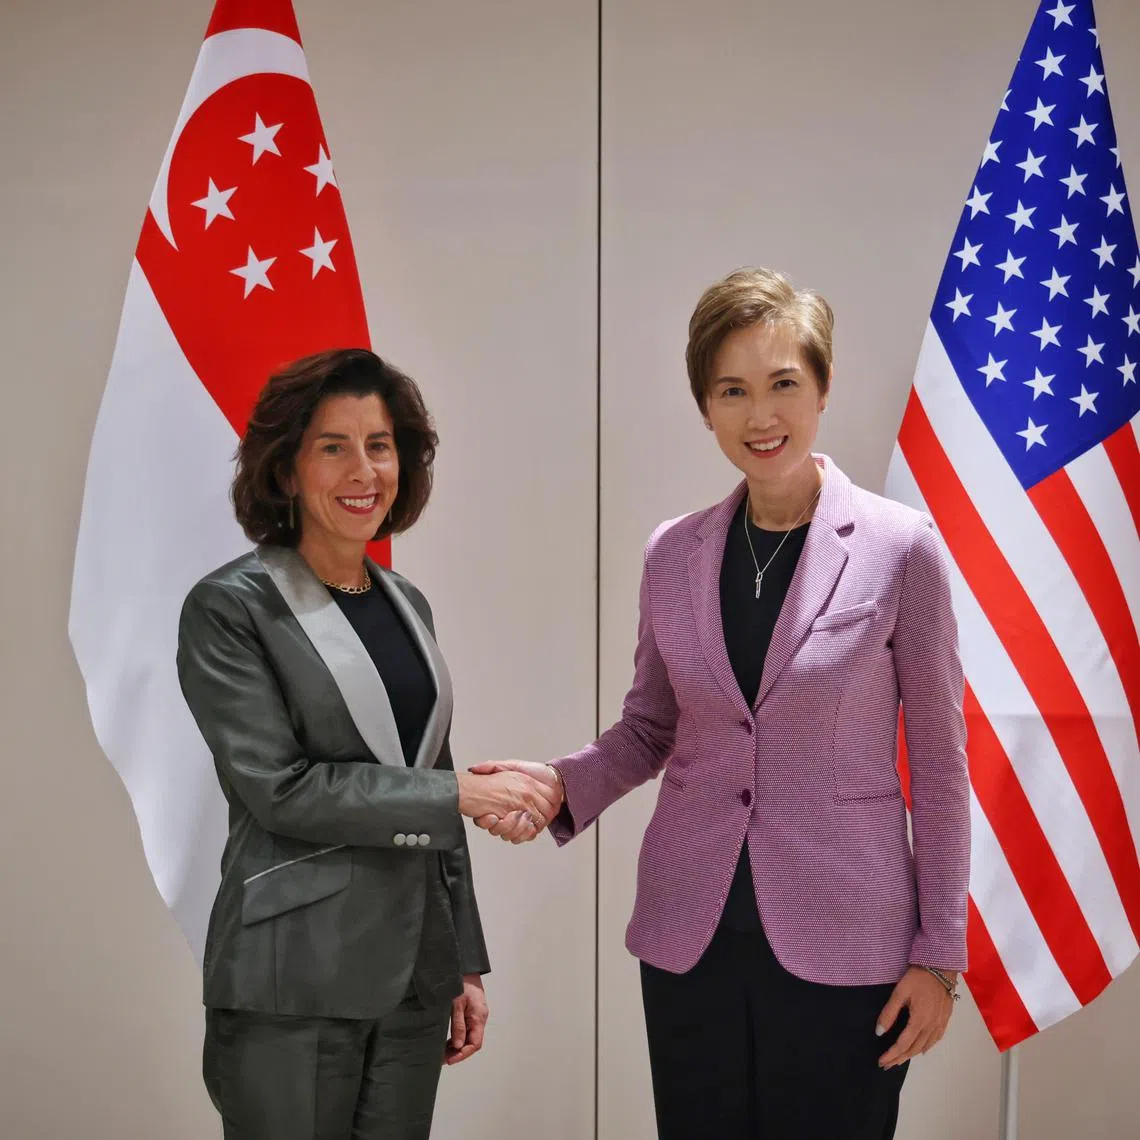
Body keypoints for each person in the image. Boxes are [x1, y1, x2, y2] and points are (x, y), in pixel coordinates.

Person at [474, 268, 970, 1139]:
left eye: (783, 384)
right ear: (706, 408)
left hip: (845, 939)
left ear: (822, 389)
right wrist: (560, 785)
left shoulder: (902, 549)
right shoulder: (674, 552)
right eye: (731, 391)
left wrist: (940, 957)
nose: (760, 415)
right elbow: (650, 728)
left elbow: (937, 762)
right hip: (690, 934)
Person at [176, 348, 559, 1140]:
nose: (363, 470)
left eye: (379, 445)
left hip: (413, 982)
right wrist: (458, 796)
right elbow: (280, 789)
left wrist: (460, 960)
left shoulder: (404, 601)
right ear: (286, 471)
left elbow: (432, 772)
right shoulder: (229, 609)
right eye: (333, 446)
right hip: (293, 981)